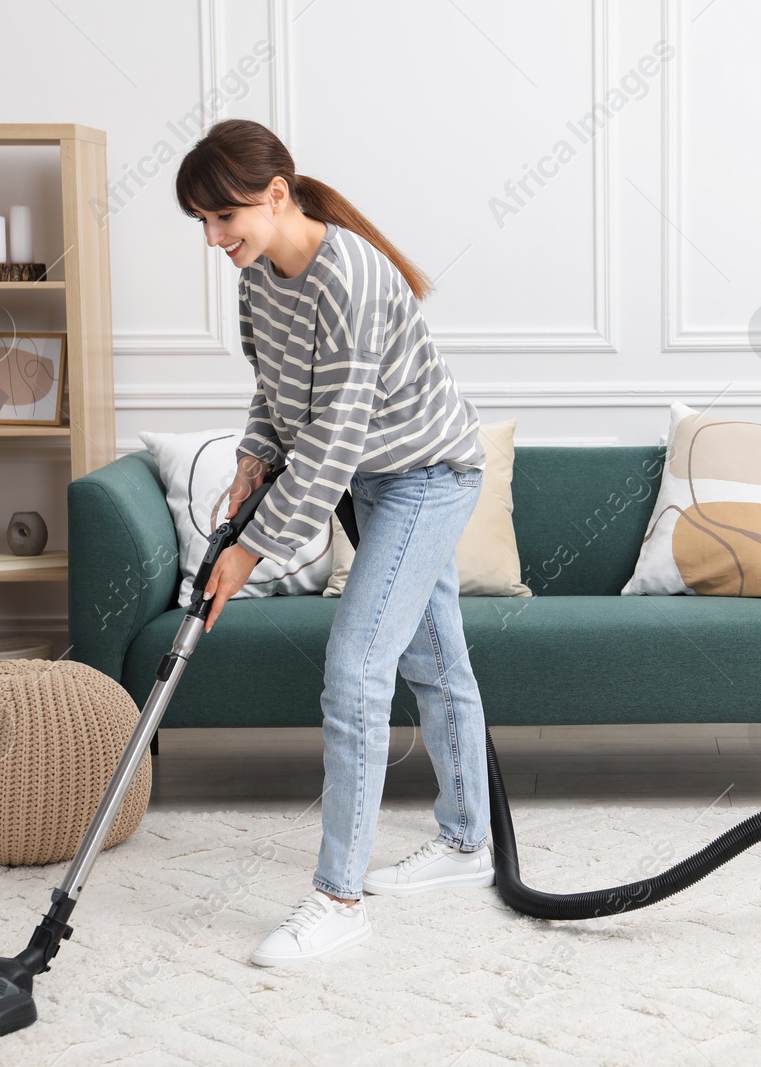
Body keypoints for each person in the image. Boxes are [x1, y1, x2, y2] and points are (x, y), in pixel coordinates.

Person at [174, 119, 493, 967]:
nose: (213, 239)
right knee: (435, 662)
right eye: (201, 224)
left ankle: (338, 899)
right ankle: (468, 844)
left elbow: (335, 437)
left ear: (275, 195)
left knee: (357, 668)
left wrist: (249, 554)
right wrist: (252, 456)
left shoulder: (348, 274)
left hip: (429, 473)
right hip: (375, 481)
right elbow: (276, 395)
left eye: (222, 218)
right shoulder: (257, 280)